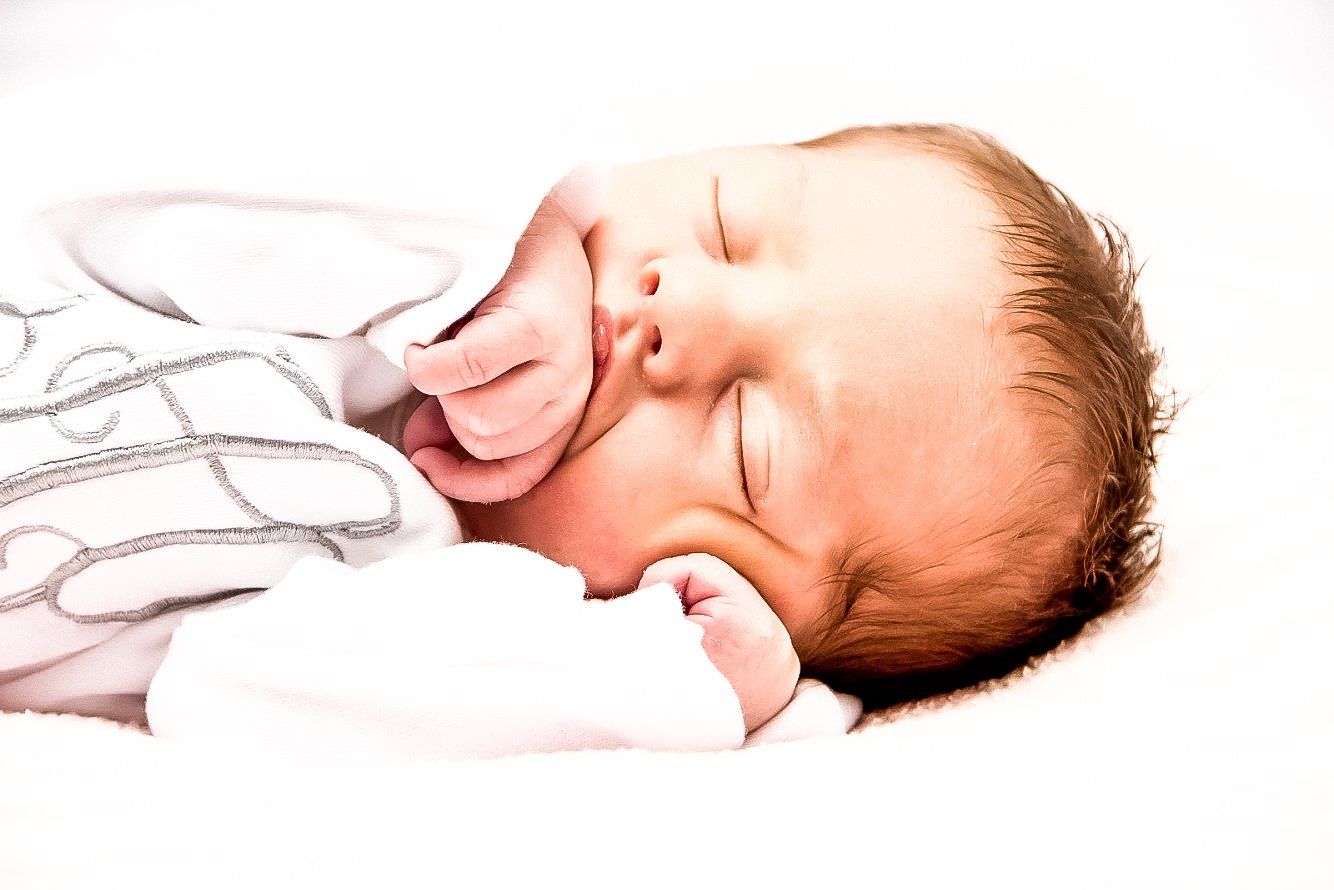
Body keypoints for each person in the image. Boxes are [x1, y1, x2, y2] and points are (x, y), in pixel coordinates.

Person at [0, 123, 1170, 753]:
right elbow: (113, 188)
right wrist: (507, 239)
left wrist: (685, 684)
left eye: (749, 438)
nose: (688, 311)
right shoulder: (373, 253)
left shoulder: (408, 605)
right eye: (727, 220)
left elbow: (228, 692)